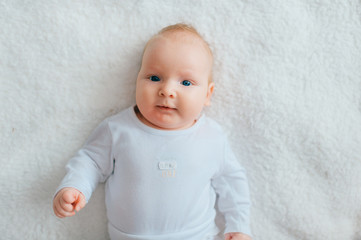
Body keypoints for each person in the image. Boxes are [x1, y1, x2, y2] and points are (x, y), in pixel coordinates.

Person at [53, 23, 252, 240]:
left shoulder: (211, 137)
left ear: (207, 94)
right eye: (154, 78)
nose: (167, 90)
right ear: (137, 80)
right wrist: (75, 186)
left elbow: (232, 182)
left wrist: (239, 226)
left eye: (186, 82)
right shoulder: (118, 130)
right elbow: (90, 161)